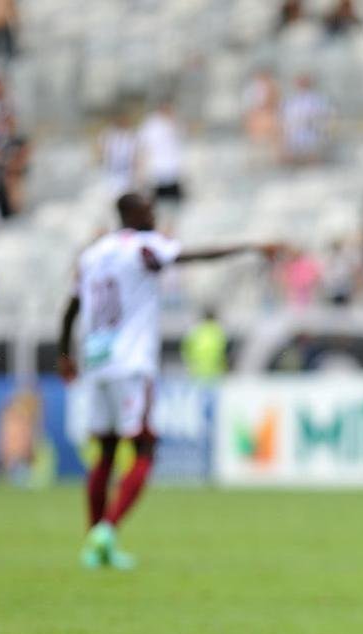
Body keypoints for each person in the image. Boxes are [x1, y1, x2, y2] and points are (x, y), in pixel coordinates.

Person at [58, 193, 277, 569]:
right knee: (144, 449)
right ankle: (107, 529)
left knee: (106, 452)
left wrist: (65, 352)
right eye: (148, 210)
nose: (154, 215)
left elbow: (72, 307)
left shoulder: (92, 254)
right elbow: (193, 256)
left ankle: (96, 542)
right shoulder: (143, 246)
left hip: (97, 360)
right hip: (131, 362)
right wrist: (251, 247)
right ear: (130, 214)